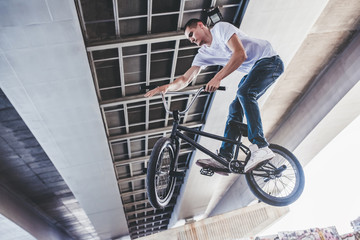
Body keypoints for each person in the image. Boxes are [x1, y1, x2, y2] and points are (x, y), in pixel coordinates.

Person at [144, 19, 284, 173]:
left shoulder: (220, 29)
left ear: (200, 25)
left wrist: (217, 78)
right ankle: (225, 157)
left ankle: (261, 147)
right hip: (254, 71)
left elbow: (240, 54)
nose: (191, 39)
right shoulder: (203, 54)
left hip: (269, 61)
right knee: (234, 109)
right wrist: (165, 88)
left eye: (191, 34)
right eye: (189, 39)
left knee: (245, 93)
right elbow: (185, 79)